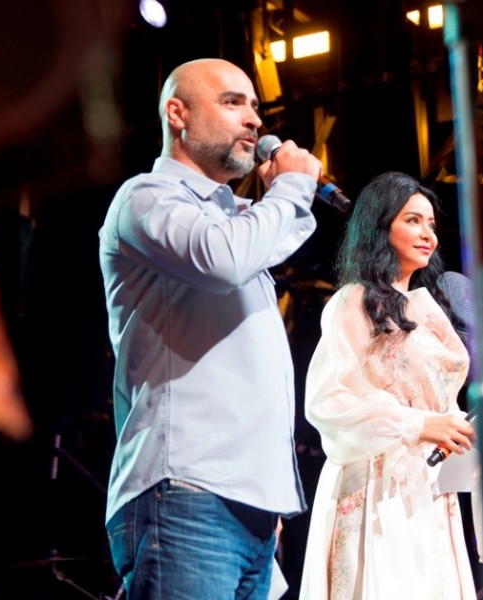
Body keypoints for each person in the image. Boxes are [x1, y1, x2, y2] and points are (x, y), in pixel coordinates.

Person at [98, 57, 321, 599]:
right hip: (186, 490)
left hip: (252, 505)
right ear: (178, 114)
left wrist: (266, 499)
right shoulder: (146, 197)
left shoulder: (236, 221)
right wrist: (291, 189)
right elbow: (222, 260)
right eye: (232, 102)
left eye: (255, 106)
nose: (254, 120)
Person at [299, 171, 483, 599]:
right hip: (376, 484)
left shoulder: (430, 312)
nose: (428, 233)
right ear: (381, 226)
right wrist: (417, 425)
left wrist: (474, 439)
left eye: (431, 223)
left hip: (428, 490)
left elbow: (441, 409)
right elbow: (327, 400)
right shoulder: (354, 301)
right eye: (413, 220)